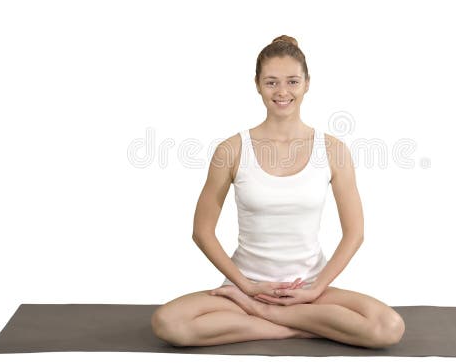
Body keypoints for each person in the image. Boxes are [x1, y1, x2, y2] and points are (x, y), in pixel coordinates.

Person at [151, 35, 405, 349]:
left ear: (307, 84)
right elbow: (202, 231)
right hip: (244, 288)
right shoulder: (231, 150)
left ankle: (262, 315)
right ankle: (293, 325)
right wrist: (247, 287)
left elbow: (355, 234)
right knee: (169, 322)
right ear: (257, 85)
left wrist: (315, 290)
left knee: (388, 328)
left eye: (292, 81)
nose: (282, 92)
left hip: (312, 290)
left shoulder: (333, 150)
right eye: (271, 82)